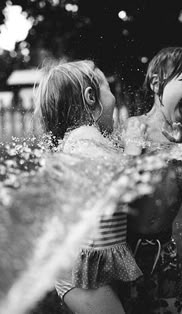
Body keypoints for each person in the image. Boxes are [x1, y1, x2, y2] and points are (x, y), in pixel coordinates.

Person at [34, 59, 151, 314]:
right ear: (91, 97)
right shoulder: (84, 137)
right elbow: (120, 184)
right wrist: (133, 148)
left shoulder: (85, 141)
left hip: (89, 265)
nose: (114, 97)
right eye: (108, 89)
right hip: (80, 272)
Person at [122, 46, 182, 313]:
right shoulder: (135, 127)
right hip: (128, 247)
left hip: (165, 249)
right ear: (155, 83)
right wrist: (133, 151)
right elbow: (124, 187)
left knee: (169, 309)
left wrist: (178, 154)